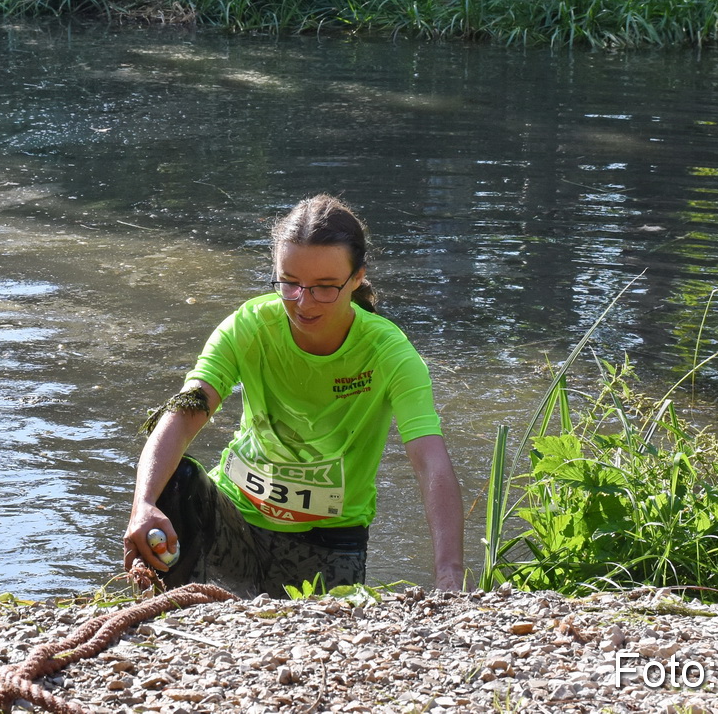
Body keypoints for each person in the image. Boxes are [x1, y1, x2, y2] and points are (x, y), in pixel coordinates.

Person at [124, 195, 464, 597]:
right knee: (174, 480)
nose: (303, 302)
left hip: (328, 543)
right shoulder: (249, 326)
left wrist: (449, 574)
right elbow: (187, 409)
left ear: (357, 278)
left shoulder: (389, 353)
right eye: (290, 283)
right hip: (232, 519)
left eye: (325, 288)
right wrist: (143, 504)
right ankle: (163, 607)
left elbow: (429, 459)